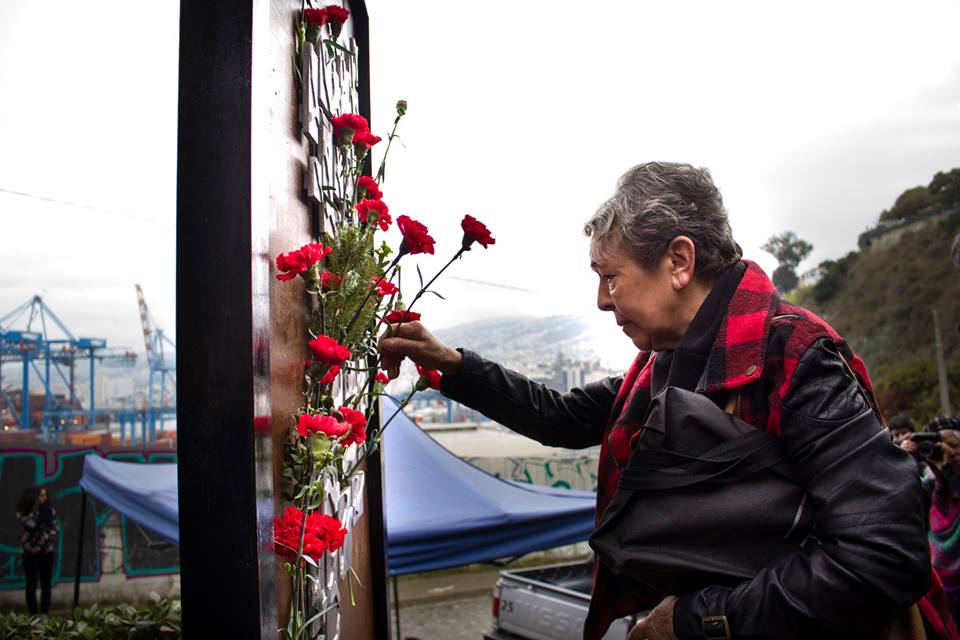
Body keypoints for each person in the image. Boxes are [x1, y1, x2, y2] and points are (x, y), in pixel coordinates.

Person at [380, 162, 956, 640]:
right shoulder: (667, 361)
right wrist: (454, 368)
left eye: (611, 276)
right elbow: (565, 416)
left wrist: (698, 619)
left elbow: (883, 554)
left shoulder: (794, 356)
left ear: (679, 262)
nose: (602, 300)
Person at [15, 485, 58, 616]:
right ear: (34, 497)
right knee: (31, 583)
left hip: (46, 552)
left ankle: (44, 612)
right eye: (41, 495)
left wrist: (44, 536)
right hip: (30, 553)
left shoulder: (49, 510)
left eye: (45, 495)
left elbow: (54, 529)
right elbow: (31, 525)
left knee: (46, 583)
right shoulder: (25, 512)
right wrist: (38, 518)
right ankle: (33, 614)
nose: (44, 498)